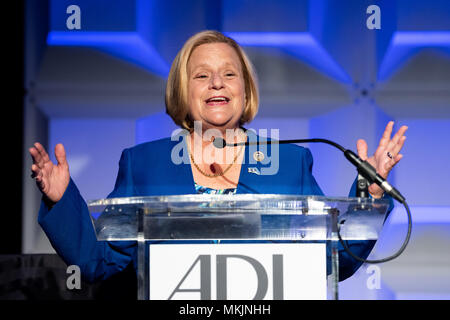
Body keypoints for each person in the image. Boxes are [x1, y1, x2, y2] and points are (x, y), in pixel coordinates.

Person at [29, 31, 407, 285]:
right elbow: (98, 261)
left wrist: (370, 195)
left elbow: (333, 259)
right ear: (182, 90)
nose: (217, 83)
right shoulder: (143, 163)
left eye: (230, 73)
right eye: (202, 75)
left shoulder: (289, 162)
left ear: (245, 90)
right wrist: (63, 199)